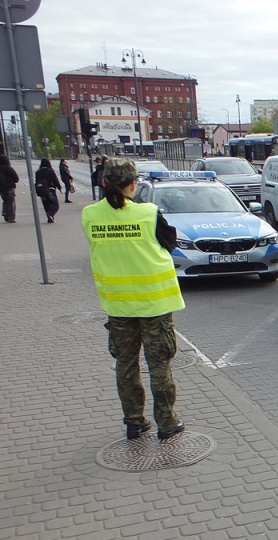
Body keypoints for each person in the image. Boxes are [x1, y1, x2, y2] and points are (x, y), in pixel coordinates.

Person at [81, 158, 186, 441]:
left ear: (103, 182)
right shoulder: (148, 213)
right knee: (159, 366)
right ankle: (166, 422)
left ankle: (134, 422)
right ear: (132, 184)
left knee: (126, 365)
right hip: (155, 305)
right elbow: (169, 242)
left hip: (118, 306)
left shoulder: (90, 215)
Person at [35, 158, 62, 223]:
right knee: (55, 204)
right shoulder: (50, 171)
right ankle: (50, 214)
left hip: (41, 190)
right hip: (50, 189)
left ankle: (50, 218)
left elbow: (37, 181)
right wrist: (59, 187)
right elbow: (55, 180)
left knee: (46, 205)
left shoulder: (38, 172)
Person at [0, 155, 19, 223]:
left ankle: (5, 213)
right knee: (11, 202)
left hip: (1, 188)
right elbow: (16, 178)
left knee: (5, 200)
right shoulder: (9, 168)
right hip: (10, 187)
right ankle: (11, 217)